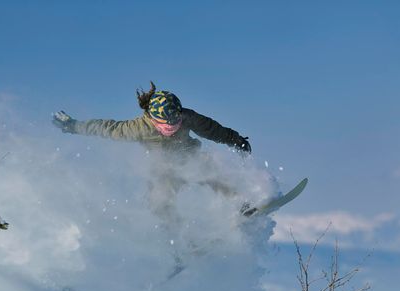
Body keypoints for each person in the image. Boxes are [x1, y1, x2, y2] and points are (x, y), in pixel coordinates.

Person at [52, 82, 251, 221]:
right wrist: (73, 125)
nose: (174, 126)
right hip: (163, 168)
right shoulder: (139, 128)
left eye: (177, 121)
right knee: (159, 203)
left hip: (190, 156)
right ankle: (178, 245)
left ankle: (242, 205)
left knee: (211, 172)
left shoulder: (188, 117)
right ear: (155, 120)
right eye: (168, 123)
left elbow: (212, 129)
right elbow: (107, 128)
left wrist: (236, 140)